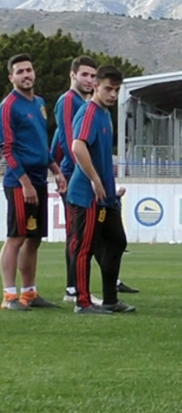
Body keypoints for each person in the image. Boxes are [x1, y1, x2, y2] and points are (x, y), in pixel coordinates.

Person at [0, 53, 67, 310]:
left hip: (40, 180)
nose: (26, 75)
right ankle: (9, 296)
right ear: (11, 77)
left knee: (34, 238)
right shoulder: (8, 106)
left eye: (29, 70)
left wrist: (56, 170)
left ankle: (29, 293)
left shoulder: (39, 103)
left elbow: (41, 144)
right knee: (16, 237)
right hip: (20, 183)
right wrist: (25, 182)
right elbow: (7, 148)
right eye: (20, 71)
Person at [67, 66, 134, 314]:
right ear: (95, 85)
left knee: (117, 242)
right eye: (108, 89)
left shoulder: (105, 114)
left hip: (105, 196)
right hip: (86, 195)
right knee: (85, 248)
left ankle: (110, 299)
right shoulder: (89, 113)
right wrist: (95, 180)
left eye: (117, 90)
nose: (113, 94)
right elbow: (77, 147)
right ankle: (82, 302)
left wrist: (109, 187)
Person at [49, 56, 105, 305]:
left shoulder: (79, 102)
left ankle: (77, 286)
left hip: (73, 172)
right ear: (72, 75)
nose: (90, 80)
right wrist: (65, 172)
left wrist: (54, 165)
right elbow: (71, 140)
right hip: (76, 175)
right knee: (78, 234)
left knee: (79, 233)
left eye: (93, 76)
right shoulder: (69, 100)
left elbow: (57, 139)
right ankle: (73, 288)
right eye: (85, 75)